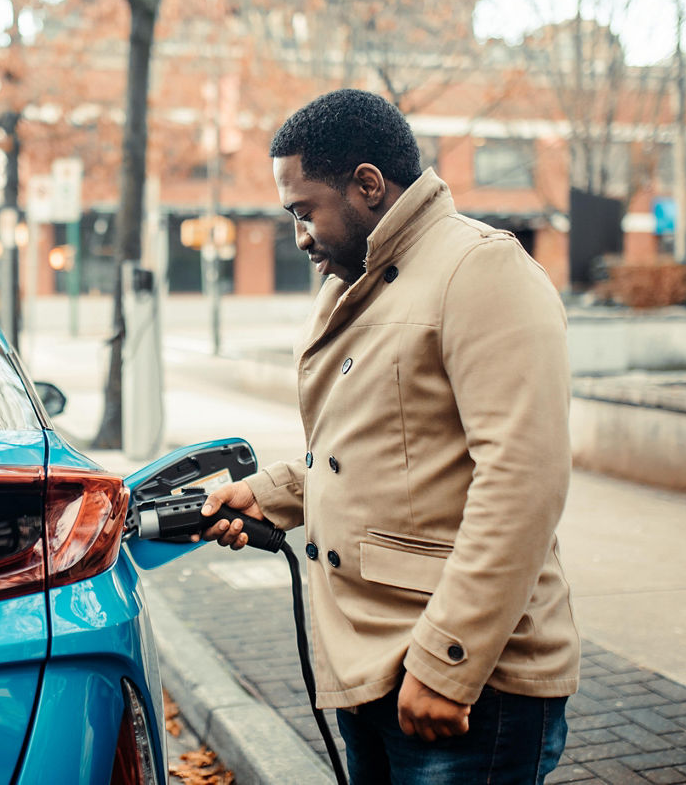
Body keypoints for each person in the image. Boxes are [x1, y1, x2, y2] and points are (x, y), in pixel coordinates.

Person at [201, 89, 579, 784]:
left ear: (367, 185)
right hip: (370, 665)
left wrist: (446, 662)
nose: (299, 235)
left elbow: (523, 482)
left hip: (464, 676)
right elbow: (367, 453)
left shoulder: (480, 269)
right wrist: (269, 495)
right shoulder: (357, 281)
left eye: (303, 210)